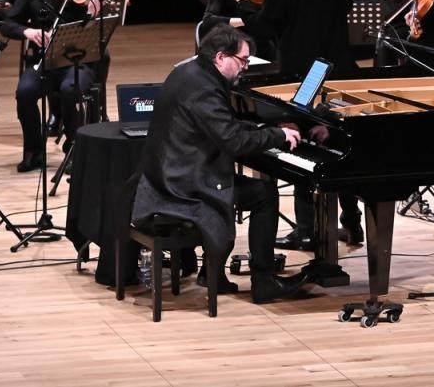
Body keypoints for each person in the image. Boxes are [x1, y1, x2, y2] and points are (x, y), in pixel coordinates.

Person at [130, 24, 313, 304]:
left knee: (244, 184)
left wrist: (262, 128)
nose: (246, 67)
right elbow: (233, 142)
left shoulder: (190, 72)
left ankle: (211, 273)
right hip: (185, 185)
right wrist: (277, 135)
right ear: (220, 57)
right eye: (243, 60)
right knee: (264, 194)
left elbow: (223, 126)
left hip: (168, 174)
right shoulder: (204, 88)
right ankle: (263, 282)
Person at [240, 0, 359, 247]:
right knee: (342, 144)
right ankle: (352, 222)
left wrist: (244, 1)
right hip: (340, 69)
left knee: (307, 146)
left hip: (305, 76)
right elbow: (344, 6)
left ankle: (308, 230)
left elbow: (265, 28)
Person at [0, 0, 105, 172]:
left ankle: (73, 145)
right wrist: (28, 31)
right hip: (43, 61)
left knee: (70, 89)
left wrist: (95, 14)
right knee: (24, 92)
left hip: (78, 63)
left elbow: (103, 35)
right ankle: (34, 149)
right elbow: (7, 24)